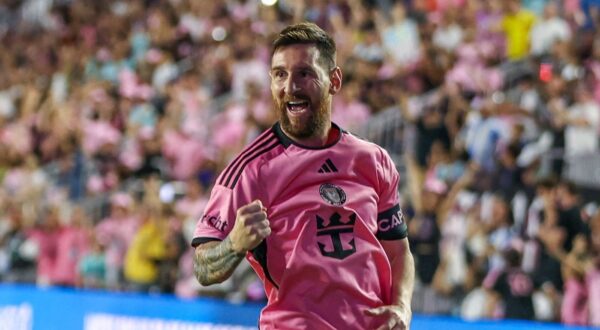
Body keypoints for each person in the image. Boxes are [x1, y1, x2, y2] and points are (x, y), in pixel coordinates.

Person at [192, 22, 414, 329]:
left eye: (304, 73)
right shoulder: (250, 170)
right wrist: (234, 244)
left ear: (334, 80)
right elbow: (203, 267)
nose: (290, 86)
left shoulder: (373, 160)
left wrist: (402, 306)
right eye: (280, 74)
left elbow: (397, 247)